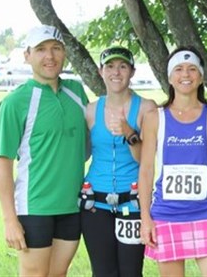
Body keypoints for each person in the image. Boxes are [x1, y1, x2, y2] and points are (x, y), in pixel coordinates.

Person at [0, 25, 89, 276]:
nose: (50, 56)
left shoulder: (76, 92)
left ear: (64, 53)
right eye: (41, 49)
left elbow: (87, 146)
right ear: (27, 55)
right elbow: (2, 164)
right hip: (34, 208)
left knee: (58, 274)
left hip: (71, 206)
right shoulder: (15, 103)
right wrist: (10, 220)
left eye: (56, 48)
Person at [138, 47, 207, 276]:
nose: (186, 74)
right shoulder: (155, 118)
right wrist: (145, 218)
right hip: (166, 216)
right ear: (170, 77)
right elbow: (145, 171)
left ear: (201, 77)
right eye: (179, 69)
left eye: (192, 69)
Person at [81, 46, 157, 276]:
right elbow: (82, 153)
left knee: (131, 271)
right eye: (110, 66)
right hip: (96, 203)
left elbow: (146, 159)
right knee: (103, 272)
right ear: (101, 71)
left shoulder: (147, 108)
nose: (116, 72)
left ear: (132, 71)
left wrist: (128, 132)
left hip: (132, 202)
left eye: (123, 66)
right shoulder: (91, 110)